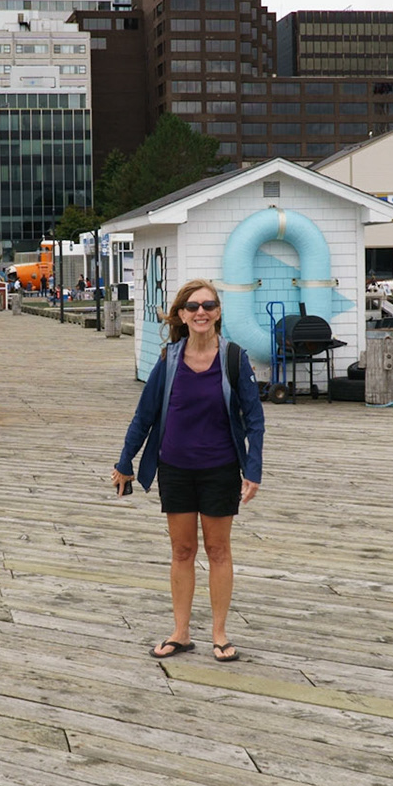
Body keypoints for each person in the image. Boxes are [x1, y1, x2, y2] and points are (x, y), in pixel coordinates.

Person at [110, 279, 265, 664]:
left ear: (217, 313)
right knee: (182, 550)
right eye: (193, 306)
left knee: (218, 550)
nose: (201, 312)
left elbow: (255, 419)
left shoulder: (234, 357)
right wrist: (125, 462)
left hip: (220, 468)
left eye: (209, 306)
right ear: (181, 314)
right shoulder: (169, 358)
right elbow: (145, 415)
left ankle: (219, 634)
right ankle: (181, 633)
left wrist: (254, 468)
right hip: (175, 467)